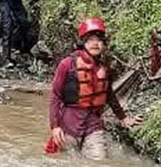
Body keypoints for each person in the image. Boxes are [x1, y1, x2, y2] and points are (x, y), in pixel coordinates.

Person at [49, 18, 141, 159]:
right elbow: (56, 96)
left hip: (93, 125)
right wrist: (55, 126)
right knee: (66, 166)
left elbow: (109, 95)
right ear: (83, 42)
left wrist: (124, 118)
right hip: (69, 125)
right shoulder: (67, 64)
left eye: (98, 40)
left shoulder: (105, 68)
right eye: (90, 39)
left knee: (100, 163)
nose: (95, 44)